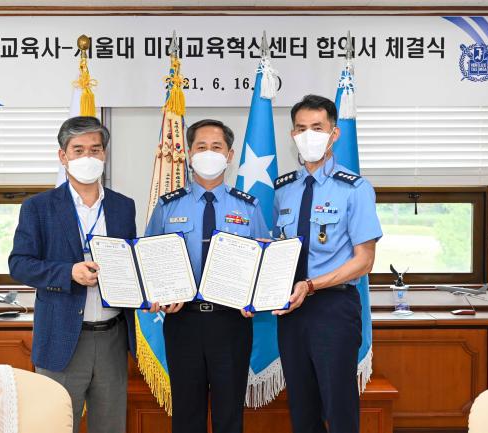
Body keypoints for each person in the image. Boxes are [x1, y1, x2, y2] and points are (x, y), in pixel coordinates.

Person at [9, 116, 136, 433]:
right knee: (54, 426)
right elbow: (19, 264)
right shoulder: (38, 207)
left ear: (104, 155)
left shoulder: (123, 207)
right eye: (78, 150)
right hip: (62, 337)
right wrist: (68, 272)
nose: (88, 157)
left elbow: (133, 263)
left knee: (110, 427)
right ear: (63, 156)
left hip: (113, 337)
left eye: (95, 149)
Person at [145, 119, 269, 433]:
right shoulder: (167, 207)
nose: (209, 153)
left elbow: (264, 264)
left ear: (229, 155)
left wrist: (255, 297)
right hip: (182, 322)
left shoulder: (249, 207)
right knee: (187, 415)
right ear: (189, 154)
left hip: (231, 322)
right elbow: (149, 261)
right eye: (201, 147)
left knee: (229, 416)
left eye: (217, 147)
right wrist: (159, 294)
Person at [272, 95, 382, 433]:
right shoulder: (284, 190)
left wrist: (312, 285)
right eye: (301, 128)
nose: (309, 135)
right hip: (291, 310)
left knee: (339, 406)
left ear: (334, 133)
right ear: (292, 135)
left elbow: (365, 261)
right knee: (301, 406)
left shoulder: (356, 189)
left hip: (333, 307)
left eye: (317, 128)